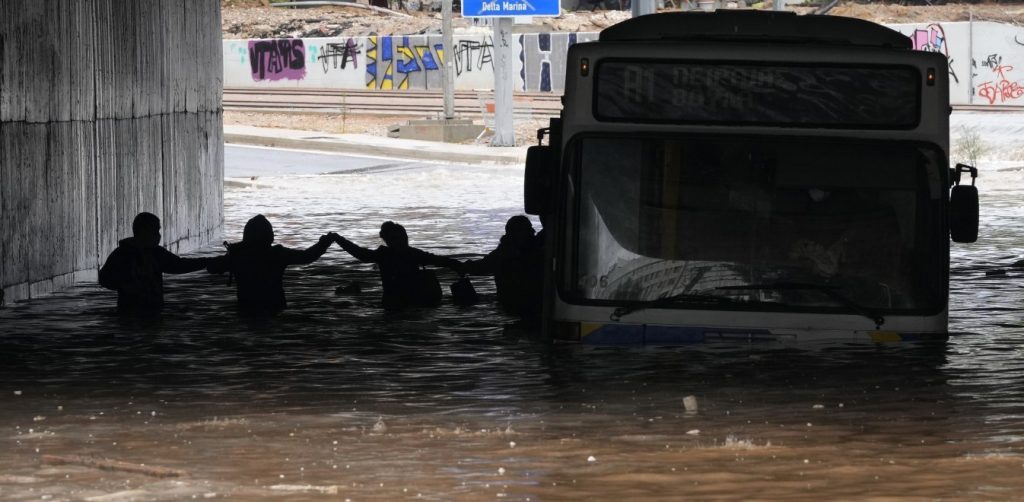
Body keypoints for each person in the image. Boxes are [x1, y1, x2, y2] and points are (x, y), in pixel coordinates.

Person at [207, 214, 333, 313]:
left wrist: (233, 253)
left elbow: (213, 268)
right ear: (270, 237)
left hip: (246, 312)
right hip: (275, 310)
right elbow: (307, 257)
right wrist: (324, 243)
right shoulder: (277, 254)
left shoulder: (238, 255)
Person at [98, 212, 214, 313]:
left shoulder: (127, 253)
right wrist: (125, 286)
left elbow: (179, 265)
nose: (159, 235)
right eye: (155, 231)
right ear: (143, 232)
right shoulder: (130, 254)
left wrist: (209, 261)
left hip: (133, 312)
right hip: (141, 310)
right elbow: (178, 265)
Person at [333, 221, 462, 310]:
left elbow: (360, 254)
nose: (403, 240)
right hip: (415, 302)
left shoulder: (386, 255)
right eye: (399, 238)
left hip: (395, 303)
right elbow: (440, 260)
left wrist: (338, 239)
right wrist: (459, 266)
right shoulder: (411, 254)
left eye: (403, 237)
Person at [463, 215, 543, 320]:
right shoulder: (505, 254)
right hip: (518, 307)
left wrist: (463, 266)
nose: (533, 231)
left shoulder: (504, 253)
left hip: (512, 307)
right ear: (517, 233)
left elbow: (479, 267)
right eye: (528, 228)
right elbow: (479, 267)